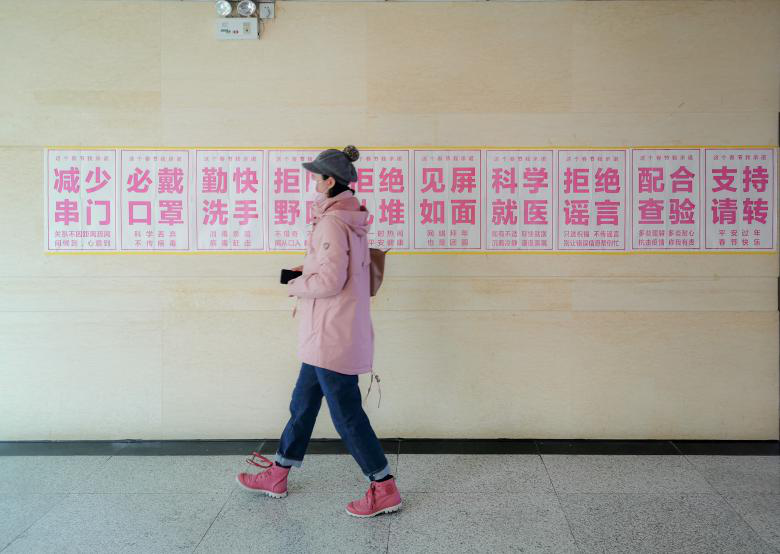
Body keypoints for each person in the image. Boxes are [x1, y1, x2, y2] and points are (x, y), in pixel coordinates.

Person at [236, 145, 402, 518]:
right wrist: (307, 268)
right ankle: (279, 472)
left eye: (316, 176)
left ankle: (384, 486)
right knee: (303, 403)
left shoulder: (332, 222)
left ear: (329, 181)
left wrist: (295, 284)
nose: (312, 182)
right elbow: (339, 270)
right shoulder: (348, 218)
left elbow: (329, 281)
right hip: (329, 331)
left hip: (331, 333)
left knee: (346, 413)